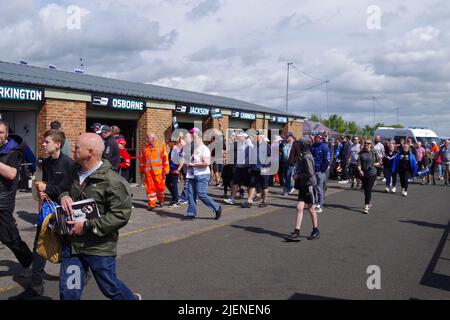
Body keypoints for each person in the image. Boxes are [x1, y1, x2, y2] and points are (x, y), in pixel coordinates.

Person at [59, 133, 139, 300]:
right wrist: (64, 196)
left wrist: (86, 226)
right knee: (69, 293)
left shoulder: (114, 182)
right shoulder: (74, 169)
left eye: (77, 147)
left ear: (90, 152)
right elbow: (63, 187)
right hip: (72, 245)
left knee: (110, 289)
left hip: (99, 248)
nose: (73, 150)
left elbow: (119, 216)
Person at [16, 129, 75, 299]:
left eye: (46, 141)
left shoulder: (69, 164)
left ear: (57, 144)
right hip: (48, 210)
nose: (43, 144)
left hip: (63, 211)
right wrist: (43, 191)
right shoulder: (47, 162)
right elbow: (48, 184)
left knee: (65, 245)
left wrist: (46, 188)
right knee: (39, 244)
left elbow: (67, 189)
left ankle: (80, 271)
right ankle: (36, 284)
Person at [0, 120, 33, 270]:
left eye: (0, 132)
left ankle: (31, 264)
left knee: (10, 238)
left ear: (6, 133)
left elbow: (12, 174)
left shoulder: (13, 151)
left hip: (3, 203)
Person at [285, 137, 320, 242]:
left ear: (303, 145)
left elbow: (310, 173)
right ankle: (296, 232)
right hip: (303, 185)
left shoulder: (307, 157)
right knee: (299, 207)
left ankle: (315, 230)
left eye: (299, 144)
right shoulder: (303, 156)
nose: (298, 145)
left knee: (310, 208)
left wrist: (298, 176)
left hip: (309, 185)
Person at [185, 129, 222, 220]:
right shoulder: (196, 149)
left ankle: (217, 208)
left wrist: (193, 164)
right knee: (191, 194)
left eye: (193, 135)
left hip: (202, 175)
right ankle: (191, 213)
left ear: (198, 136)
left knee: (201, 194)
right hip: (192, 174)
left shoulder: (204, 149)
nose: (192, 137)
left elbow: (207, 163)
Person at [139, 132, 169, 210]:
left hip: (159, 173)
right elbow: (142, 161)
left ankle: (161, 199)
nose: (146, 139)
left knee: (160, 188)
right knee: (150, 188)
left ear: (153, 139)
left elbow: (165, 159)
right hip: (148, 173)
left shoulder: (161, 147)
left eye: (147, 138)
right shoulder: (144, 149)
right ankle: (152, 204)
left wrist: (166, 169)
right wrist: (142, 170)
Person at [242, 133, 271, 208]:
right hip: (254, 169)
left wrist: (265, 167)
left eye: (256, 137)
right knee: (252, 185)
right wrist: (250, 167)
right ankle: (249, 200)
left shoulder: (266, 146)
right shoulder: (255, 146)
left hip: (263, 169)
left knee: (264, 186)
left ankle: (264, 201)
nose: (254, 138)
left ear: (260, 137)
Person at [224, 132, 252, 205]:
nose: (239, 138)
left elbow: (251, 157)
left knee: (248, 184)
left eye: (240, 137)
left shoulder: (249, 145)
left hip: (246, 167)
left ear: (245, 137)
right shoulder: (240, 144)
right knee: (236, 182)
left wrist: (250, 166)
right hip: (239, 167)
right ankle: (232, 199)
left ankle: (249, 199)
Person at [357, 140, 381, 214]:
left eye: (368, 143)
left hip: (372, 173)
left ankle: (366, 206)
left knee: (368, 189)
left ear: (371, 145)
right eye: (365, 143)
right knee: (365, 189)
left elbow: (379, 162)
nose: (366, 144)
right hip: (364, 174)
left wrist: (374, 164)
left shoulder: (374, 152)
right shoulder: (361, 153)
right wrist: (360, 170)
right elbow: (358, 164)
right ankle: (368, 202)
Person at [311, 133, 330, 213]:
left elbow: (327, 160)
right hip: (313, 170)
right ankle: (315, 202)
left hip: (320, 171)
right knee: (313, 187)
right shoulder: (313, 146)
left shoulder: (324, 147)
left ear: (320, 138)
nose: (315, 139)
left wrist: (322, 169)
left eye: (317, 137)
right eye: (315, 137)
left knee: (319, 188)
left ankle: (320, 204)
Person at [166, 136, 185, 207]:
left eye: (168, 142)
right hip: (170, 170)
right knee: (167, 183)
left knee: (174, 185)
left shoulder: (177, 150)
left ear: (172, 142)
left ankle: (176, 200)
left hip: (175, 170)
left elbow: (182, 161)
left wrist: (178, 170)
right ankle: (175, 196)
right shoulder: (172, 149)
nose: (167, 144)